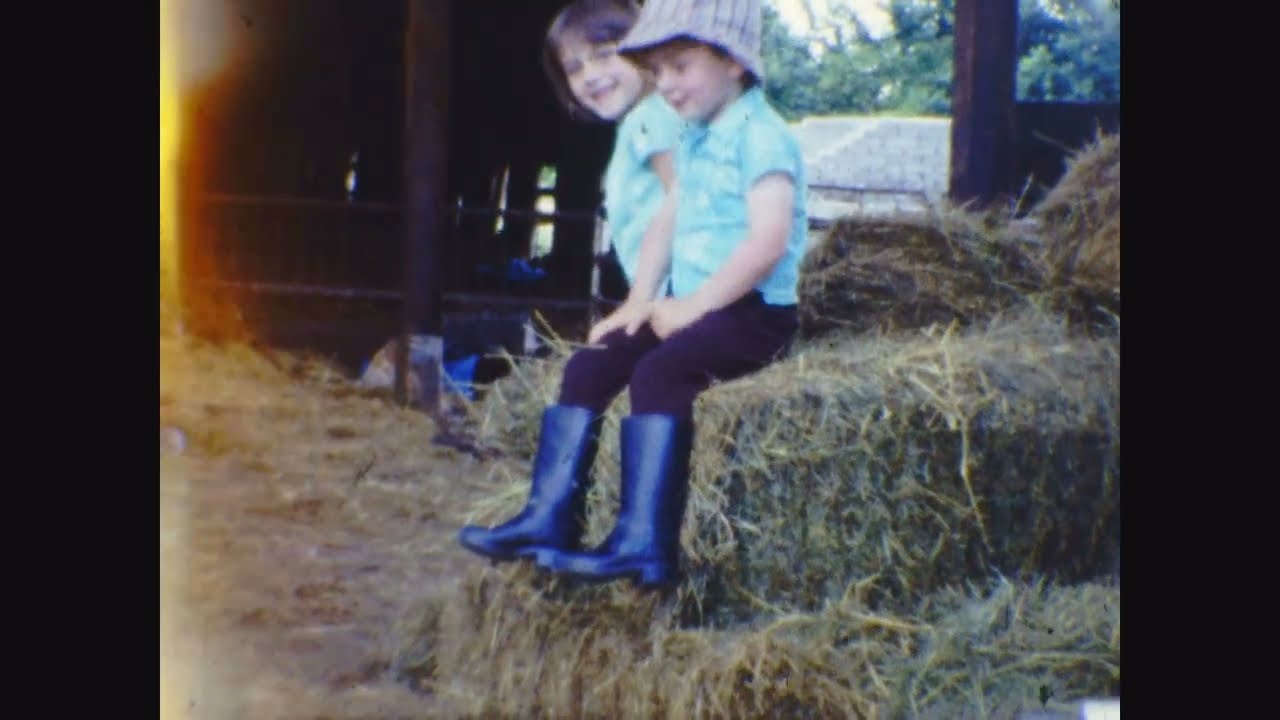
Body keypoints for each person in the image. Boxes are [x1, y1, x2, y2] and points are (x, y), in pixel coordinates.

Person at [463, 0, 808, 590]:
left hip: (753, 314)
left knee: (660, 373)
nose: (664, 84)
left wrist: (694, 306)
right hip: (698, 305)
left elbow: (769, 241)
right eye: (658, 70)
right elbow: (667, 220)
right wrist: (638, 303)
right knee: (593, 363)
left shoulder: (763, 137)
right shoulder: (696, 136)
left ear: (732, 61)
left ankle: (644, 545)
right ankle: (551, 518)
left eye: (680, 67)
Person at [457, 0, 682, 563]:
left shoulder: (655, 120)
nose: (591, 76)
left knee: (607, 365)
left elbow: (683, 203)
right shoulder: (642, 121)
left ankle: (583, 526)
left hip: (685, 294)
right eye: (575, 67)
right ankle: (550, 516)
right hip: (668, 291)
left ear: (643, 49)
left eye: (604, 54)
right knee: (588, 366)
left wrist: (645, 302)